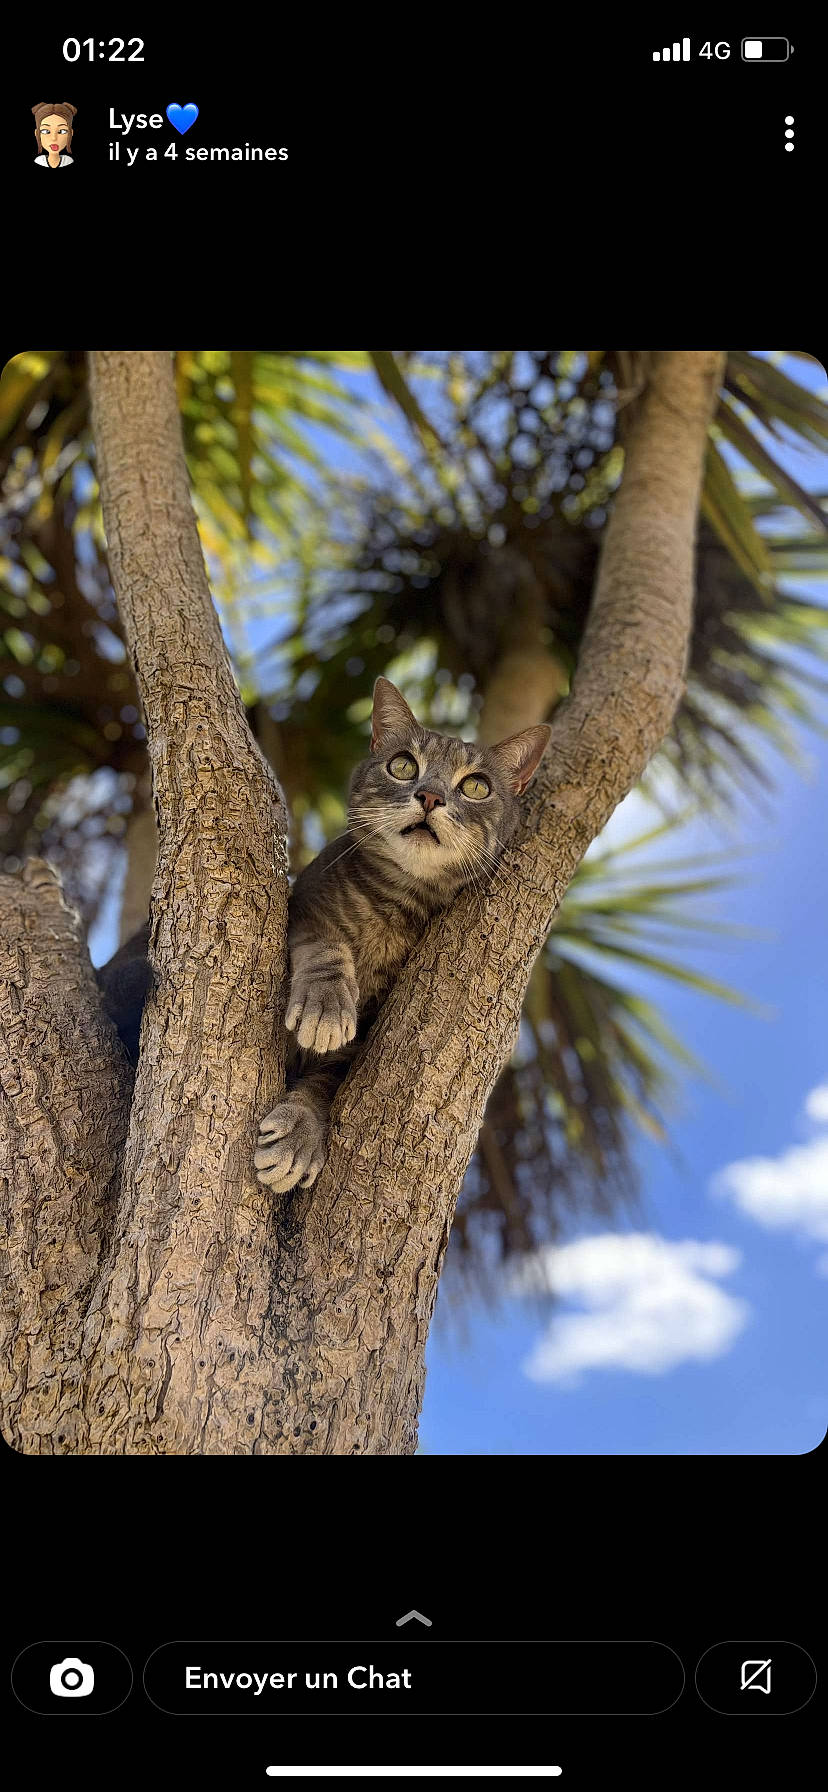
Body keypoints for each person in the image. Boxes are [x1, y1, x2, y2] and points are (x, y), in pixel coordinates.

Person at [33, 102, 76, 167]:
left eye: (62, 131)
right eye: (46, 131)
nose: (54, 138)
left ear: (71, 133)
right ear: (37, 133)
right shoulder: (39, 161)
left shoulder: (68, 161)